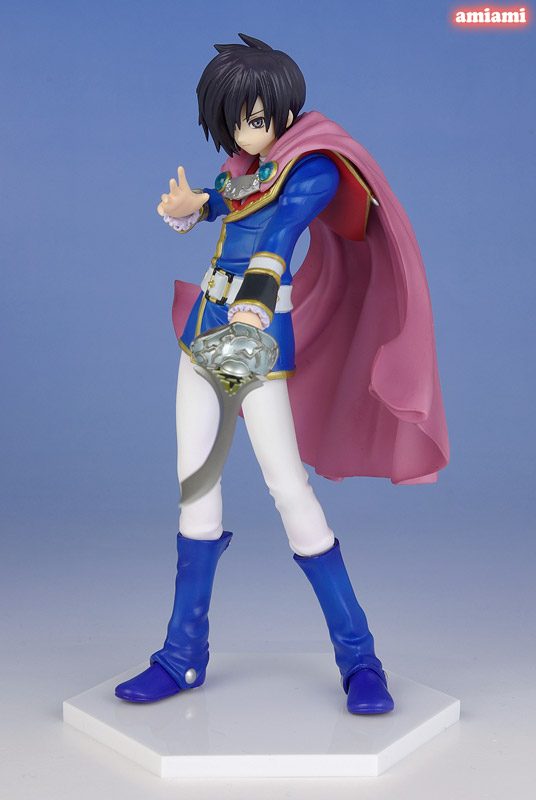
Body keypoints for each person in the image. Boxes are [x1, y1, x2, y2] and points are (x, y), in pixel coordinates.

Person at [115, 34, 449, 714]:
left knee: (290, 491)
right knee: (195, 487)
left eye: (258, 117)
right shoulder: (245, 169)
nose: (246, 130)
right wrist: (189, 209)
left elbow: (280, 233)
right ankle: (182, 655)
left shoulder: (314, 168)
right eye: (236, 119)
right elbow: (225, 203)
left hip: (259, 342)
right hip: (202, 335)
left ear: (285, 111)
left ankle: (360, 658)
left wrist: (258, 301)